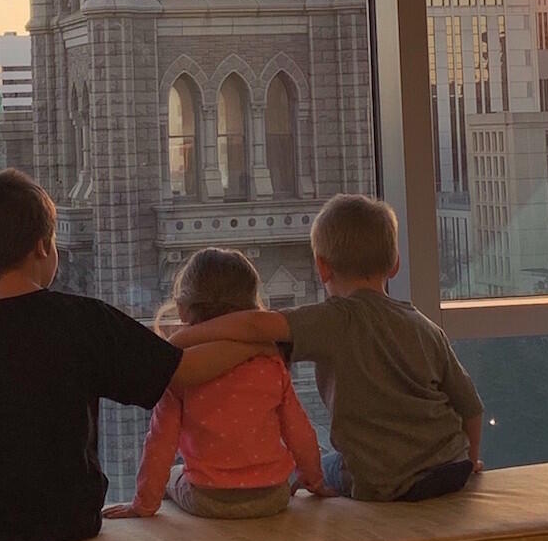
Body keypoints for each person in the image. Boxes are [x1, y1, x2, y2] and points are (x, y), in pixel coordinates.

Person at [0, 169, 273, 541]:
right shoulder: (85, 320)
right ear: (43, 247)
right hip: (70, 518)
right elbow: (184, 370)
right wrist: (261, 343)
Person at [170, 195, 484, 503]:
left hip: (384, 479)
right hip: (450, 466)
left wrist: (187, 336)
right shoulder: (426, 327)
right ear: (395, 264)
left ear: (322, 268)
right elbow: (470, 407)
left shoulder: (334, 320)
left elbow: (255, 326)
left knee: (318, 467)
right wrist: (470, 459)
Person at [102, 249, 332, 520]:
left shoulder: (182, 370)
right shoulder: (270, 363)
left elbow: (160, 443)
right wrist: (315, 482)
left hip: (208, 499)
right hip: (272, 496)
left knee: (175, 473)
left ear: (183, 308)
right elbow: (299, 431)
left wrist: (143, 505)